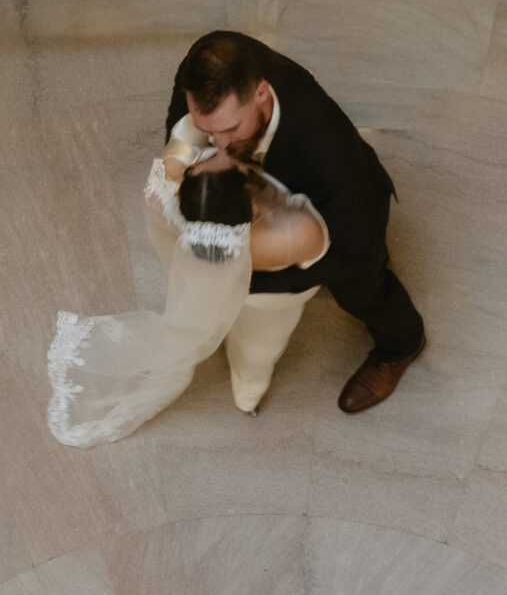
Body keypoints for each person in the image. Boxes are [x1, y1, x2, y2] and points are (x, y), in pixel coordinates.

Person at [163, 30, 425, 415]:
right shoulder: (209, 62)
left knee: (361, 288)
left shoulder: (330, 154)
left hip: (348, 217)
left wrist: (249, 277)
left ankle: (401, 345)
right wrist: (183, 155)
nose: (217, 147)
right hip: (265, 192)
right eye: (209, 131)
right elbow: (180, 112)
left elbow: (354, 252)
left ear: (261, 94)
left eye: (230, 130)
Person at [47, 158, 329, 446]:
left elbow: (173, 159)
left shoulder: (167, 196)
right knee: (256, 352)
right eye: (222, 162)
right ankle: (248, 398)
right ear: (250, 204)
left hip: (202, 286)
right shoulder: (289, 235)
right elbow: (319, 247)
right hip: (266, 304)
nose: (219, 152)